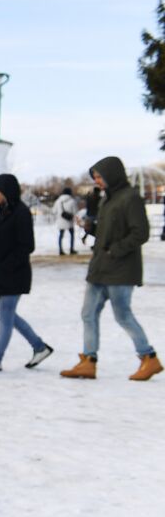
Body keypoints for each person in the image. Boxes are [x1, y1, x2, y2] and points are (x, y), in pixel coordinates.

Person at [61, 157, 162, 381]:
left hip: (121, 270)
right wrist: (92, 228)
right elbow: (108, 233)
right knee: (88, 313)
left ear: (112, 175)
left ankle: (149, 358)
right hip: (100, 268)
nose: (97, 181)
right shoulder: (108, 199)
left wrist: (114, 250)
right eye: (95, 177)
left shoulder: (130, 198)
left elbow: (140, 233)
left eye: (100, 176)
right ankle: (88, 360)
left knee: (123, 315)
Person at [0, 174, 53, 372]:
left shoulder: (21, 212)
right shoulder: (3, 212)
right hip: (2, 272)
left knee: (5, 315)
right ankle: (39, 347)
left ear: (7, 190)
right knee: (7, 316)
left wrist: (6, 265)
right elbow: (4, 241)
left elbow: (26, 245)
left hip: (13, 273)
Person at [51, 187, 77, 255]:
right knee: (72, 235)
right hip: (69, 221)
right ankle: (71, 249)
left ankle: (60, 250)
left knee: (61, 235)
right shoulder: (72, 201)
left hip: (60, 221)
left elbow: (54, 211)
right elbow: (75, 212)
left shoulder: (58, 201)